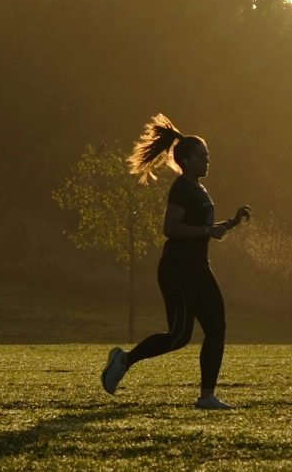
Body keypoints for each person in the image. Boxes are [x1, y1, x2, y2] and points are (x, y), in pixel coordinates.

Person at [101, 114, 252, 410]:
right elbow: (170, 229)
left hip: (198, 268)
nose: (207, 161)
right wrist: (209, 230)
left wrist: (230, 223)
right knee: (179, 336)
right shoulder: (181, 188)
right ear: (185, 159)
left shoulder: (199, 189)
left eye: (208, 156)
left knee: (217, 328)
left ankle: (206, 397)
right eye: (201, 156)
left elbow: (201, 229)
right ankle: (123, 360)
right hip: (178, 269)